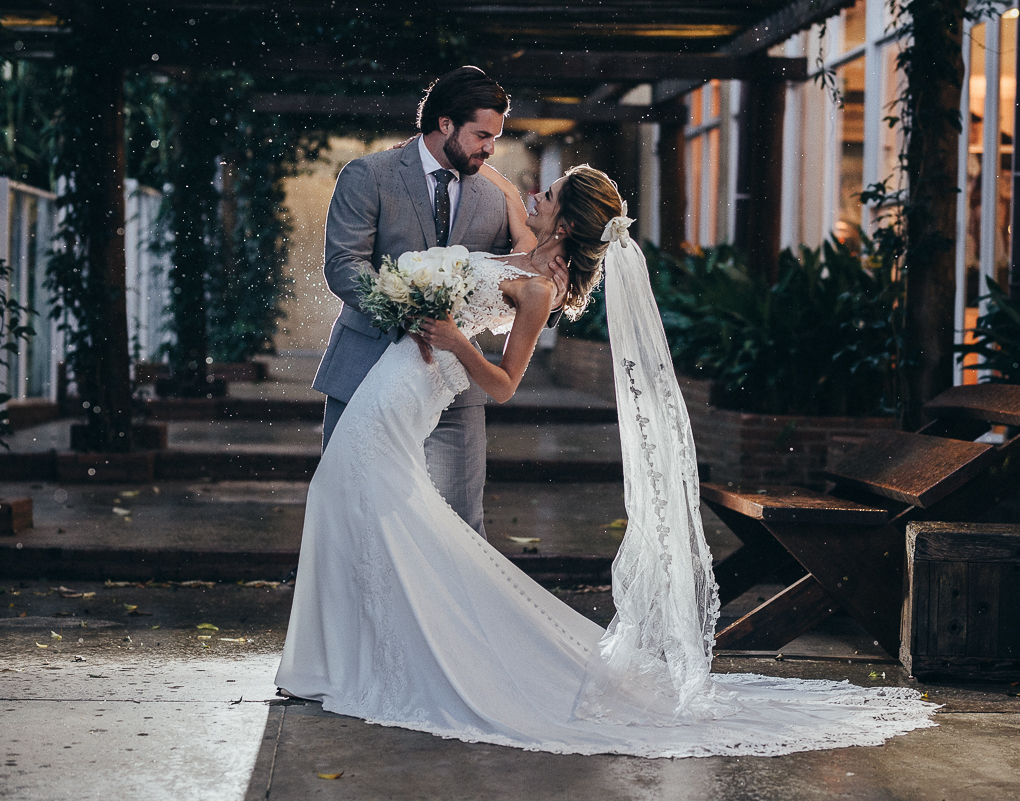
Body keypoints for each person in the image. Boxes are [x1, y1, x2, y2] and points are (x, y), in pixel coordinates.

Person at [276, 164, 937, 757]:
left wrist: (452, 336)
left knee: (353, 498)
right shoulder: (527, 250)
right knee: (357, 503)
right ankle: (342, 660)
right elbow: (504, 186)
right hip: (397, 381)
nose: (533, 192)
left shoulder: (538, 288)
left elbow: (503, 384)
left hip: (411, 387)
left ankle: (343, 665)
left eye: (551, 192)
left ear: (562, 221)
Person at [313, 65, 567, 539]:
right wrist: (406, 311)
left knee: (458, 529)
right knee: (353, 517)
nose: (491, 147)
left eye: (495, 136)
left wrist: (555, 291)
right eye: (482, 135)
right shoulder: (370, 175)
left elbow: (526, 273)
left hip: (455, 389)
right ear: (445, 123)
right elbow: (344, 265)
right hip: (366, 369)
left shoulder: (495, 197)